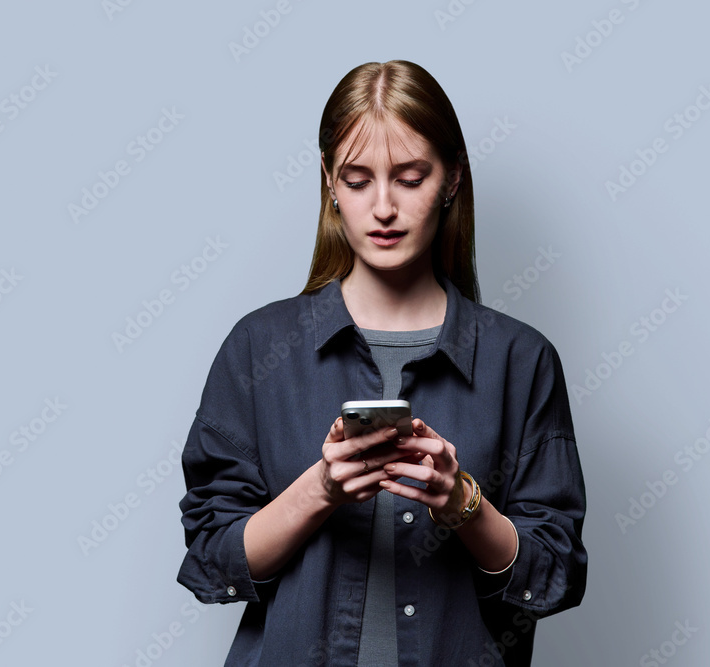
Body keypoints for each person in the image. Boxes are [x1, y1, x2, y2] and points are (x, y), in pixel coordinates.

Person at [176, 60, 586, 666]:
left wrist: (463, 504)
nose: (384, 207)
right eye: (359, 179)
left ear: (451, 179)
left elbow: (553, 577)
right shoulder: (258, 349)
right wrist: (319, 490)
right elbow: (214, 558)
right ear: (329, 183)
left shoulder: (521, 362)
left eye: (411, 177)